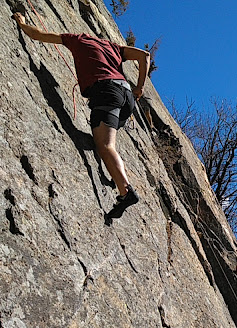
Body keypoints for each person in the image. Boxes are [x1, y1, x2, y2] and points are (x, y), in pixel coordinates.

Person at [13, 12, 150, 220]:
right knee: (105, 140)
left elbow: (39, 34)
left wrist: (22, 24)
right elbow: (144, 56)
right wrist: (139, 88)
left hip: (106, 92)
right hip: (126, 97)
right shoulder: (114, 47)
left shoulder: (76, 39)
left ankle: (125, 192)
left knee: (104, 145)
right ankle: (113, 169)